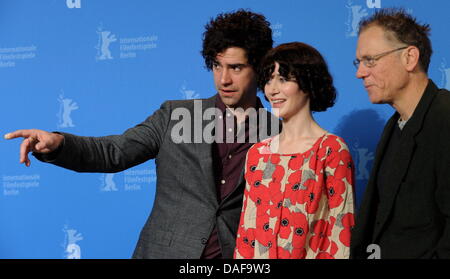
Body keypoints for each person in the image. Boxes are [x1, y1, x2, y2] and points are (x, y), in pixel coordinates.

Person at [3, 10, 279, 259]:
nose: (223, 79)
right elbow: (114, 152)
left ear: (259, 68)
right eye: (217, 66)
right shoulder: (176, 115)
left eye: (236, 68)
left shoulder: (279, 132)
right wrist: (59, 143)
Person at [233, 42, 355, 259]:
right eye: (269, 80)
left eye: (283, 79)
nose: (273, 90)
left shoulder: (331, 150)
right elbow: (246, 232)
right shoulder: (257, 154)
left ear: (307, 82)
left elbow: (340, 230)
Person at [350, 8, 450, 259]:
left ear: (409, 57)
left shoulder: (445, 118)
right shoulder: (394, 126)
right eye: (359, 62)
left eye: (370, 60)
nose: (360, 73)